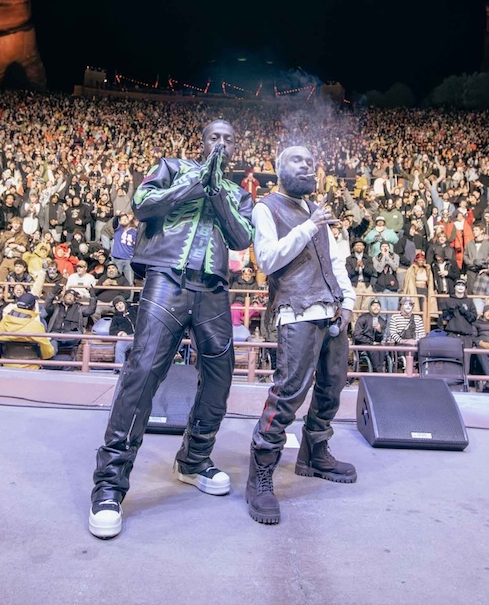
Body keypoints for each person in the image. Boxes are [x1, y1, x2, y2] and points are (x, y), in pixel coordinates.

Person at [90, 119, 254, 540]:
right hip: (166, 278)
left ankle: (194, 460)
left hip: (213, 285)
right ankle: (109, 484)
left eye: (228, 139)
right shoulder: (171, 166)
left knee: (221, 375)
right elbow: (143, 205)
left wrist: (216, 190)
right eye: (214, 137)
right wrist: (199, 181)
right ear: (201, 141)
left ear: (235, 147)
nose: (221, 143)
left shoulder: (238, 193)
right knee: (143, 370)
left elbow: (240, 237)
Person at [245, 145, 356, 526]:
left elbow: (334, 259)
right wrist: (310, 226)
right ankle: (260, 472)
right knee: (289, 392)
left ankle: (314, 454)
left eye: (311, 161)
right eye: (298, 160)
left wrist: (350, 301)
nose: (308, 165)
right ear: (279, 170)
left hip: (332, 309)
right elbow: (268, 259)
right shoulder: (266, 208)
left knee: (331, 388)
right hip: (296, 313)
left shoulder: (316, 211)